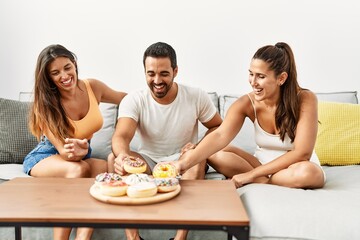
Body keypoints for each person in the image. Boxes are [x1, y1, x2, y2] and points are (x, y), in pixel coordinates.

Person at [108, 42, 222, 240]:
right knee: (113, 158)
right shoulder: (134, 99)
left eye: (164, 73)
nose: (157, 80)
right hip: (149, 162)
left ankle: (179, 238)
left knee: (197, 159)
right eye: (151, 73)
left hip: (183, 161)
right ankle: (133, 237)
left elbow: (218, 127)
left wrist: (198, 146)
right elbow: (121, 136)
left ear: (175, 71)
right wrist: (123, 156)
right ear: (144, 73)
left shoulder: (196, 96)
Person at [174, 42, 325, 189]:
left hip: (295, 168)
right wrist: (182, 164)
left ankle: (263, 182)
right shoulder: (246, 103)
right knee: (213, 153)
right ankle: (267, 181)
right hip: (261, 164)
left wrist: (251, 175)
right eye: (251, 74)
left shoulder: (305, 99)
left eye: (261, 76)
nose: (253, 82)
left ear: (281, 78)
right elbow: (220, 135)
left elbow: (302, 153)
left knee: (309, 173)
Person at [23, 44, 127, 240]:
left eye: (67, 67)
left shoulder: (93, 87)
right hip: (47, 156)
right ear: (48, 77)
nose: (64, 75)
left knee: (105, 170)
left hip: (80, 155)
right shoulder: (45, 103)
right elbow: (65, 152)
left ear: (75, 64)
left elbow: (126, 99)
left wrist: (156, 101)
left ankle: (82, 238)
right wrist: (83, 147)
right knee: (77, 170)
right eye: (55, 72)